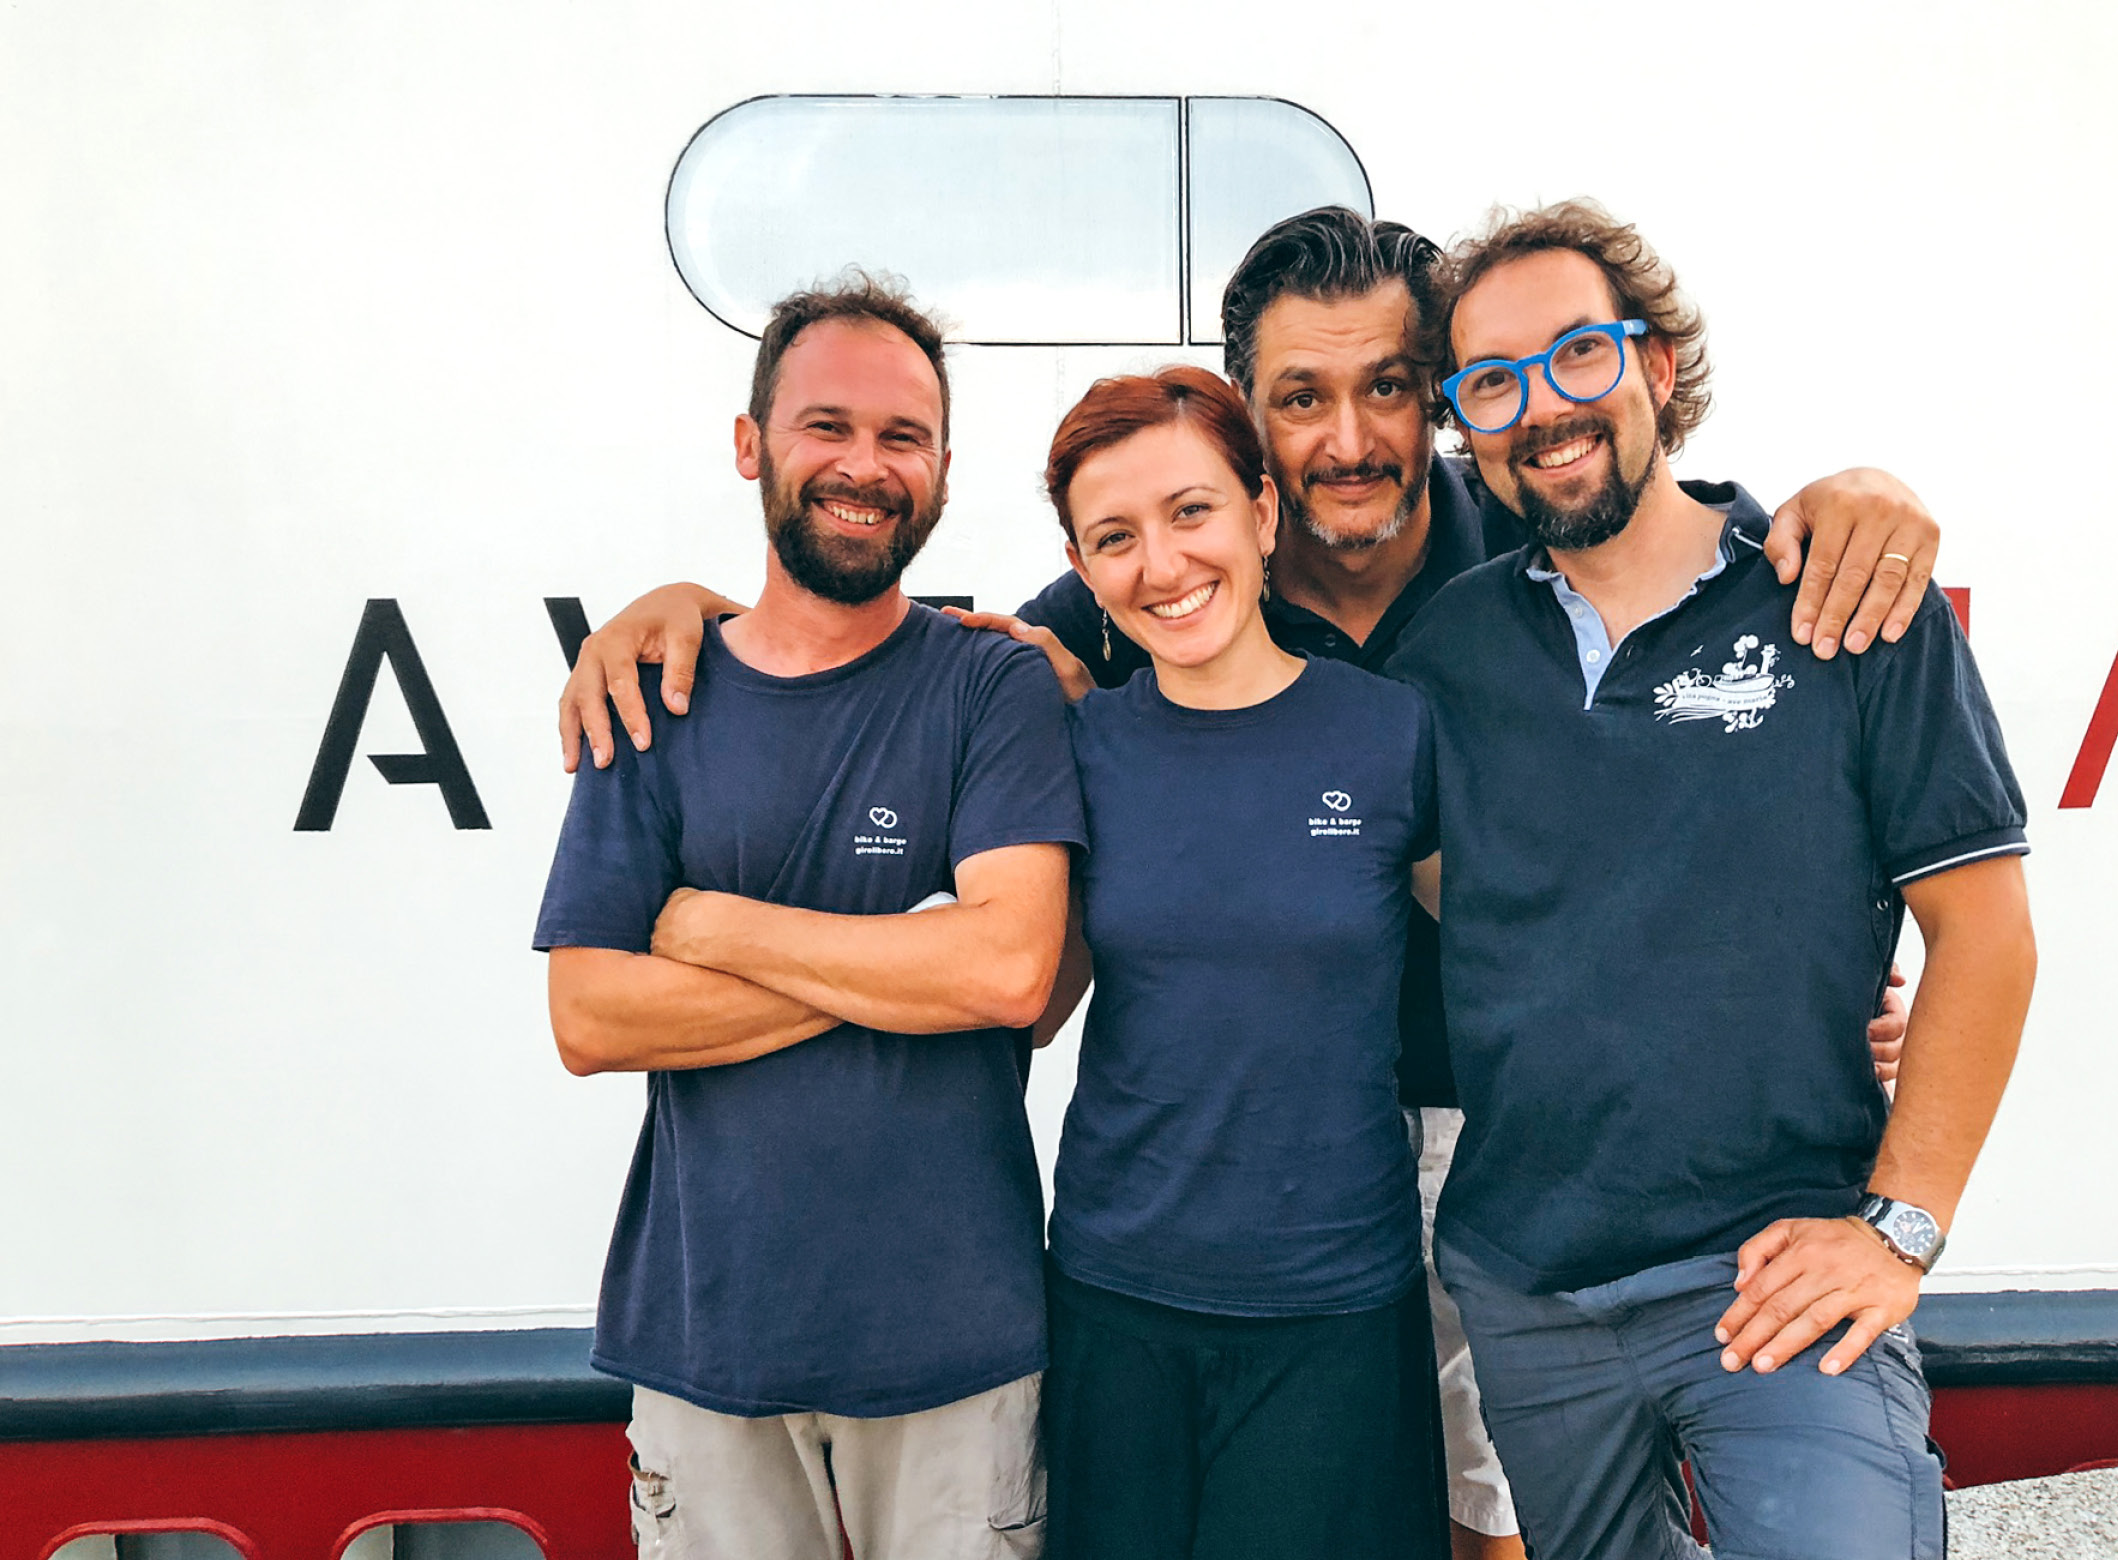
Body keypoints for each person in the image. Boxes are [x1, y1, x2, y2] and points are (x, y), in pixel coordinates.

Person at [555, 205, 1930, 1560]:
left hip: (1491, 1151)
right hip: (1167, 1239)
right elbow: (875, 638)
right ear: (1255, 431)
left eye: (1387, 386)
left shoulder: (1519, 557)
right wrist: (707, 614)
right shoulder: (1105, 638)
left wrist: (1791, 1011)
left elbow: (1636, 800)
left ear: (1436, 402)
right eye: (1299, 396)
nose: (1348, 436)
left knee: (1484, 1524)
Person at [1389, 199, 2038, 1560]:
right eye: (1492, 384)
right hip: (1527, 1295)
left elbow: (1984, 940)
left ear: (1656, 365)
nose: (1540, 408)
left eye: (1577, 355)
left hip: (1774, 1274)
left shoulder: (1845, 602)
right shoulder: (1447, 657)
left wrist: (1899, 1232)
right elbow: (1475, 900)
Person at [532, 273, 1084, 1559]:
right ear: (750, 444)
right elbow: (590, 1014)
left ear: (943, 470)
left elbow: (1008, 971)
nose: (864, 466)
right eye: (824, 426)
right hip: (706, 1342)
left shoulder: (990, 689)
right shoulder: (652, 688)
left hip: (960, 1349)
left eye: (902, 439)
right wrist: (906, 952)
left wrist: (716, 928)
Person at [1029, 363, 1448, 1557]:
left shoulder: (1388, 732)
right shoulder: (1074, 745)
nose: (1161, 566)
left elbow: (1529, 953)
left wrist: (1802, 1013)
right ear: (1083, 569)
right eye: (1114, 538)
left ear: (1264, 515)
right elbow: (1030, 999)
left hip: (1336, 1310)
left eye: (1192, 512)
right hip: (1117, 1303)